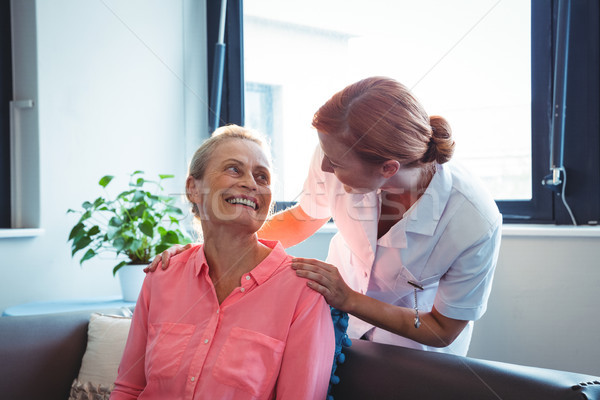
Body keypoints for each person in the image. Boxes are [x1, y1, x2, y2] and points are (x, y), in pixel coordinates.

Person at [149, 76, 502, 357]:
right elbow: (304, 218)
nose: (325, 166)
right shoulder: (336, 147)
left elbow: (441, 329)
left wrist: (347, 297)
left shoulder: (473, 221)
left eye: (337, 163)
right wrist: (206, 253)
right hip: (337, 331)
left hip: (414, 354)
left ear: (388, 168)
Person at [111, 125, 334, 399]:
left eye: (262, 177)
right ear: (193, 188)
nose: (251, 183)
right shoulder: (162, 275)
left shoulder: (303, 291)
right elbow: (128, 388)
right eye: (234, 169)